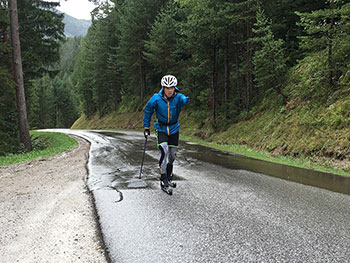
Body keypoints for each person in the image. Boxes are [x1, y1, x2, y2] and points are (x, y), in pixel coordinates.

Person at [143, 75, 190, 192]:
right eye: (167, 88)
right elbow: (148, 110)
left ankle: (169, 176)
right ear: (163, 88)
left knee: (172, 155)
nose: (169, 90)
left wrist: (186, 100)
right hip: (162, 129)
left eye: (171, 88)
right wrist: (146, 127)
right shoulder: (156, 98)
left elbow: (183, 99)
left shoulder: (178, 97)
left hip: (174, 128)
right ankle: (163, 177)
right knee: (164, 151)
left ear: (175, 88)